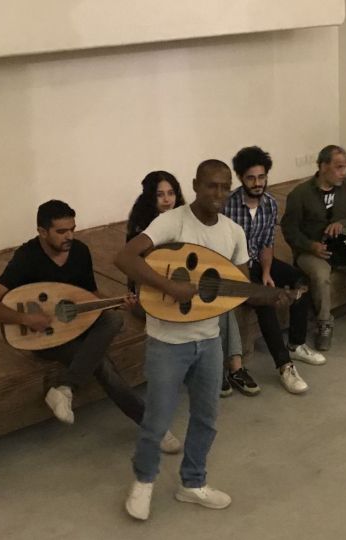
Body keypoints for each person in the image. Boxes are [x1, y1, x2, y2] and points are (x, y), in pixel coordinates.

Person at [115, 159, 288, 520]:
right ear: (195, 185)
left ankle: (192, 484)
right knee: (157, 422)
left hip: (209, 340)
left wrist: (272, 296)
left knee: (206, 418)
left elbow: (238, 289)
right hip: (166, 341)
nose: (218, 194)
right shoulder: (172, 221)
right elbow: (125, 257)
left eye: (225, 187)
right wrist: (169, 286)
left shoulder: (233, 233)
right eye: (211, 186)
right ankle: (143, 482)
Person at [0, 200, 180, 453]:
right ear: (42, 232)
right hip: (43, 336)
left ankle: (65, 388)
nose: (69, 236)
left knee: (114, 320)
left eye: (72, 229)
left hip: (77, 326)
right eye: (61, 231)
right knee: (102, 365)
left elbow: (90, 296)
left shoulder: (80, 251)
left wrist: (117, 303)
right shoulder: (26, 258)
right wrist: (26, 319)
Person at [126, 171, 244, 398]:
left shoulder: (187, 220)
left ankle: (232, 367)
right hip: (150, 294)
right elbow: (136, 270)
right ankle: (228, 370)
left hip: (185, 288)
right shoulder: (146, 227)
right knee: (217, 306)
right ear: (150, 197)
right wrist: (168, 286)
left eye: (171, 193)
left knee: (221, 301)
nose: (167, 199)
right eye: (160, 194)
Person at [223, 146, 327, 395]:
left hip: (259, 263)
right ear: (241, 178)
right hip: (236, 269)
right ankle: (284, 366)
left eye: (261, 177)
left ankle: (296, 344)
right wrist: (255, 283)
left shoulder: (269, 204)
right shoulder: (227, 206)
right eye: (251, 178)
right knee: (266, 302)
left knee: (300, 280)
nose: (257, 183)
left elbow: (267, 244)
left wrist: (267, 272)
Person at [281, 144, 346, 350]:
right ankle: (324, 323)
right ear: (323, 166)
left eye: (344, 167)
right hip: (313, 250)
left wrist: (343, 224)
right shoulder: (300, 194)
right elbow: (289, 230)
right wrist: (311, 246)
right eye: (339, 167)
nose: (343, 172)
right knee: (321, 276)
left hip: (344, 249)